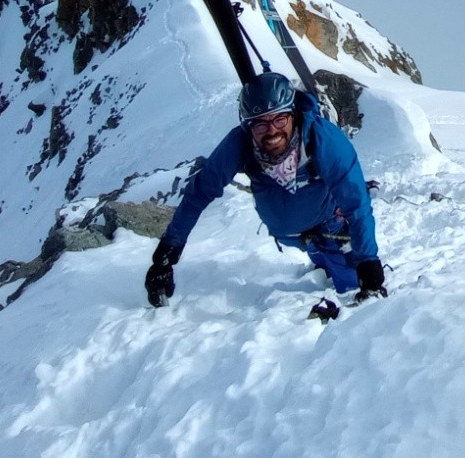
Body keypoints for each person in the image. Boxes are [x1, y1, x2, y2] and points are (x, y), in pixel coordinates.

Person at [145, 71, 387, 311]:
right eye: (260, 124)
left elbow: (356, 201)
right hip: (292, 235)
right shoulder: (240, 144)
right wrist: (166, 256)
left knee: (352, 288)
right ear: (248, 125)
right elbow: (199, 193)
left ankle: (338, 263)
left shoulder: (322, 139)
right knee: (321, 255)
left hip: (330, 225)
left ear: (293, 115)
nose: (271, 131)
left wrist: (368, 260)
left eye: (279, 119)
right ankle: (322, 258)